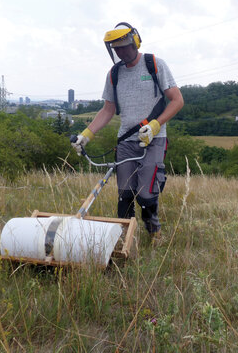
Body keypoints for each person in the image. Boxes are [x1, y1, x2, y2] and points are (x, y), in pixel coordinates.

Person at [71, 22, 184, 239]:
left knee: (146, 194)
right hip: (126, 141)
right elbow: (107, 110)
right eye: (117, 49)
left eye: (125, 47)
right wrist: (87, 134)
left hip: (155, 139)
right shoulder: (114, 74)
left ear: (136, 42)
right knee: (125, 195)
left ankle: (155, 234)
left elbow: (177, 100)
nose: (121, 52)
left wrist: (155, 125)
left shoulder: (154, 64)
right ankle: (124, 239)